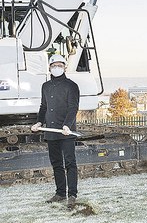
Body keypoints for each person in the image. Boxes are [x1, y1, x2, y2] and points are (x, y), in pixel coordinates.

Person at [31, 54, 80, 207]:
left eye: (59, 65)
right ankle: (60, 193)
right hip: (51, 131)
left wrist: (67, 125)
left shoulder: (71, 85)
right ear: (50, 68)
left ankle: (72, 195)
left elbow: (73, 107)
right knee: (56, 164)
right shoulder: (45, 86)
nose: (56, 68)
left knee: (70, 163)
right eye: (54, 65)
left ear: (64, 67)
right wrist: (39, 122)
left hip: (66, 132)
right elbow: (43, 107)